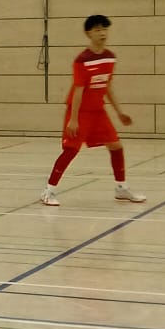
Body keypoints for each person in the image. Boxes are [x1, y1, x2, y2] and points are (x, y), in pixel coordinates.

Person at [41, 14, 147, 207]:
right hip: (79, 112)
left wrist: (119, 112)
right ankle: (48, 191)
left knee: (116, 146)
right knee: (71, 150)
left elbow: (107, 86)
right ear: (88, 33)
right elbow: (78, 91)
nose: (102, 33)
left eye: (105, 29)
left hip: (98, 111)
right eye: (98, 30)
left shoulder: (110, 57)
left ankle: (121, 188)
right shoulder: (82, 60)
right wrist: (73, 120)